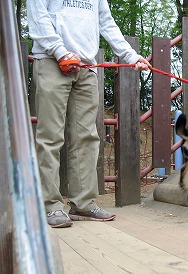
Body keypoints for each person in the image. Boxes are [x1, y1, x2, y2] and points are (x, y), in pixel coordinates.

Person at [27, 0, 151, 228]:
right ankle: (50, 206)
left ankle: (83, 204)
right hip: (51, 61)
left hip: (86, 68)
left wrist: (131, 56)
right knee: (50, 137)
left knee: (87, 137)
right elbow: (37, 18)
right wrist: (60, 51)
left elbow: (106, 22)